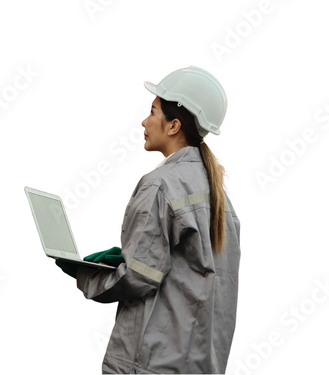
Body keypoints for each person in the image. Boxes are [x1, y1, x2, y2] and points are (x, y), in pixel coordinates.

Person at [56, 66, 241, 374]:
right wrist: (127, 258)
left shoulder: (162, 184)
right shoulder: (217, 193)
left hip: (150, 364)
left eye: (153, 111)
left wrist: (84, 272)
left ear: (174, 126)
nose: (145, 121)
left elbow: (139, 277)